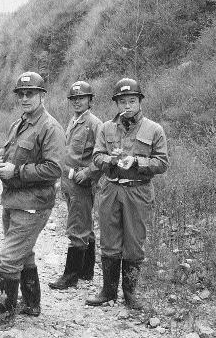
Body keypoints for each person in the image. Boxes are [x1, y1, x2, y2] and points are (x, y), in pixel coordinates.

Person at [0, 71, 65, 333]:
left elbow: (53, 169)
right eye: (21, 94)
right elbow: (13, 154)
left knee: (8, 259)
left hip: (34, 203)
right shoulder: (18, 124)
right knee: (24, 253)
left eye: (30, 94)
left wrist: (15, 172)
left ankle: (4, 316)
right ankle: (32, 304)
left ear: (42, 96)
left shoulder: (50, 128)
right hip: (13, 200)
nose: (25, 98)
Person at [86, 78, 168, 310]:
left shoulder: (154, 129)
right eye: (122, 102)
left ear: (140, 102)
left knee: (134, 242)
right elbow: (96, 157)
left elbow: (162, 163)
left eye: (132, 100)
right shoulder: (106, 128)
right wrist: (112, 159)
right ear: (116, 104)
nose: (127, 106)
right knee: (109, 241)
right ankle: (108, 291)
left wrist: (136, 161)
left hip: (138, 190)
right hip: (110, 188)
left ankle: (131, 294)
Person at [49, 81, 102, 290]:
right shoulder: (74, 121)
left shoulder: (95, 124)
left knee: (77, 226)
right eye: (74, 99)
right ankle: (86, 272)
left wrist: (89, 172)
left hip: (82, 182)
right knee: (84, 224)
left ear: (90, 100)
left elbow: (102, 154)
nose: (77, 102)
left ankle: (70, 277)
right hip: (68, 180)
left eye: (81, 98)